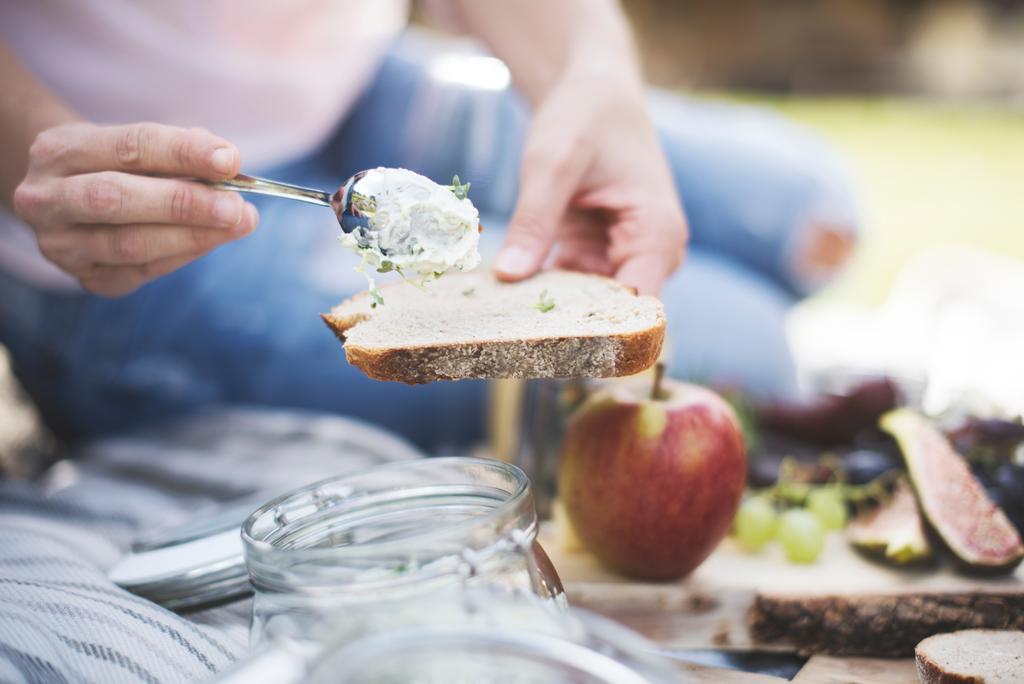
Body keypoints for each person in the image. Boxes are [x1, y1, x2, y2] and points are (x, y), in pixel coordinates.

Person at [0, 0, 858, 450]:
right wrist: (28, 146)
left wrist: (596, 82)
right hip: (114, 204)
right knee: (748, 348)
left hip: (350, 84)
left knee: (814, 212)